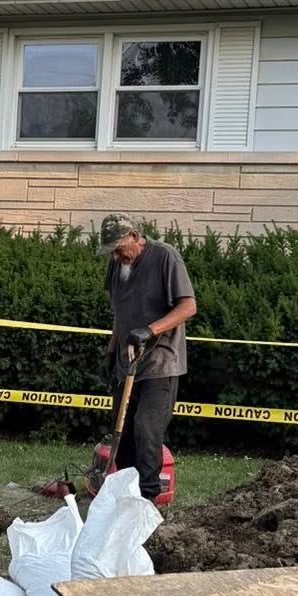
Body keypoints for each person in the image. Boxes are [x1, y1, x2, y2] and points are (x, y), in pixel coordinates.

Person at [97, 214, 197, 502]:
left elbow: (188, 307)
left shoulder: (166, 257)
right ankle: (126, 499)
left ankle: (148, 500)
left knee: (146, 430)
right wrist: (111, 352)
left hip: (160, 362)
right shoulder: (117, 265)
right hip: (126, 362)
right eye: (111, 251)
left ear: (135, 236)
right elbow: (120, 313)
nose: (116, 256)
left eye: (119, 248)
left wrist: (150, 330)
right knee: (123, 432)